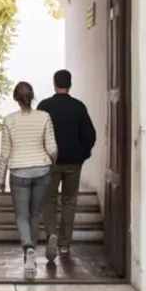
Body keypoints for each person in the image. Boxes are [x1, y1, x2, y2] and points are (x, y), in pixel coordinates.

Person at [0, 81, 58, 278]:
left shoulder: (9, 120)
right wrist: (52, 163)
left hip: (19, 173)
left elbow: (5, 153)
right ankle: (32, 253)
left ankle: (28, 249)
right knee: (34, 214)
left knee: (21, 215)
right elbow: (52, 148)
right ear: (32, 97)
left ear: (16, 99)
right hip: (42, 171)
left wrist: (0, 178)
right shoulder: (44, 117)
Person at [37, 69, 96, 263]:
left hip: (50, 162)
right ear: (70, 85)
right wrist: (83, 154)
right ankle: (64, 243)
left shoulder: (44, 106)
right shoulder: (79, 107)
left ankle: (51, 234)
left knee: (48, 200)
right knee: (69, 202)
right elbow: (90, 135)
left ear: (54, 84)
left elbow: (38, 134)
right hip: (73, 163)